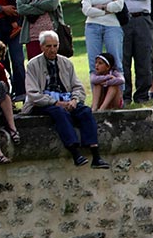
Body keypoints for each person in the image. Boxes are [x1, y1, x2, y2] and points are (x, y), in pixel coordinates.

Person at [24, 30, 109, 168]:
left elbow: (78, 87)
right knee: (59, 112)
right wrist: (55, 102)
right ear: (41, 47)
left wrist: (74, 100)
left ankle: (96, 155)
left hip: (66, 98)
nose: (52, 50)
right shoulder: (33, 65)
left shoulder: (66, 63)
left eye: (55, 46)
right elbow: (33, 94)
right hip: (44, 101)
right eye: (48, 46)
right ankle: (75, 153)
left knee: (85, 111)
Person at [80, 0, 125, 71]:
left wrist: (100, 7)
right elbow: (87, 10)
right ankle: (97, 84)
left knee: (116, 62)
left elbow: (119, 6)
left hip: (113, 26)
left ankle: (117, 83)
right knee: (94, 63)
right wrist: (108, 9)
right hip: (92, 26)